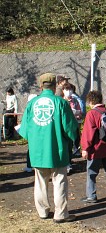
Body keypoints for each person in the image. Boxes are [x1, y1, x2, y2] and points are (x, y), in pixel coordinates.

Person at [19, 73, 78, 223]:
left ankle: (43, 211)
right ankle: (61, 214)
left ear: (40, 86)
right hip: (57, 149)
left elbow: (24, 130)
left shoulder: (32, 104)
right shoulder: (61, 103)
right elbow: (70, 128)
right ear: (55, 86)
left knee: (40, 182)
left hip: (38, 151)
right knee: (59, 182)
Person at [80, 90, 106, 203]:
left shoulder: (92, 113)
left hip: (96, 149)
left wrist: (85, 149)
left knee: (92, 173)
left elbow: (88, 133)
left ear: (90, 101)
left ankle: (91, 196)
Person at [63, 83, 83, 174]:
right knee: (65, 145)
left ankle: (69, 162)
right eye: (66, 89)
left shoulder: (75, 100)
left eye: (70, 89)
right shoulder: (60, 100)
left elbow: (80, 112)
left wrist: (78, 114)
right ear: (63, 90)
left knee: (71, 144)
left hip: (73, 125)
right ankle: (65, 163)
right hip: (64, 126)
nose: (68, 91)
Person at [23, 93, 38, 173]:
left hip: (33, 132)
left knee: (31, 149)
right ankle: (31, 166)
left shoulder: (30, 108)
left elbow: (26, 121)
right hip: (39, 132)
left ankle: (30, 166)